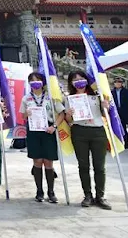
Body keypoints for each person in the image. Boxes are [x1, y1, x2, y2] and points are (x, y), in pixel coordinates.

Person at [65, 71, 111, 210]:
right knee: (83, 165)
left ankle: (100, 196)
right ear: (71, 83)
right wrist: (69, 115)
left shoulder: (97, 96)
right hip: (79, 132)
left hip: (98, 131)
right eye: (75, 79)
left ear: (86, 79)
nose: (79, 81)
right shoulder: (69, 98)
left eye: (81, 78)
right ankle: (87, 195)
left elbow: (107, 114)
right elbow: (69, 120)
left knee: (99, 166)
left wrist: (106, 106)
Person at [20, 72, 65, 203]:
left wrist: (54, 126)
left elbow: (61, 113)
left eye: (38, 80)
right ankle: (39, 191)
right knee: (37, 161)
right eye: (32, 81)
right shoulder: (26, 98)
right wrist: (26, 114)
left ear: (43, 82)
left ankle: (51, 192)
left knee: (48, 162)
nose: (35, 83)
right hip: (33, 132)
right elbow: (22, 116)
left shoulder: (51, 97)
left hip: (48, 131)